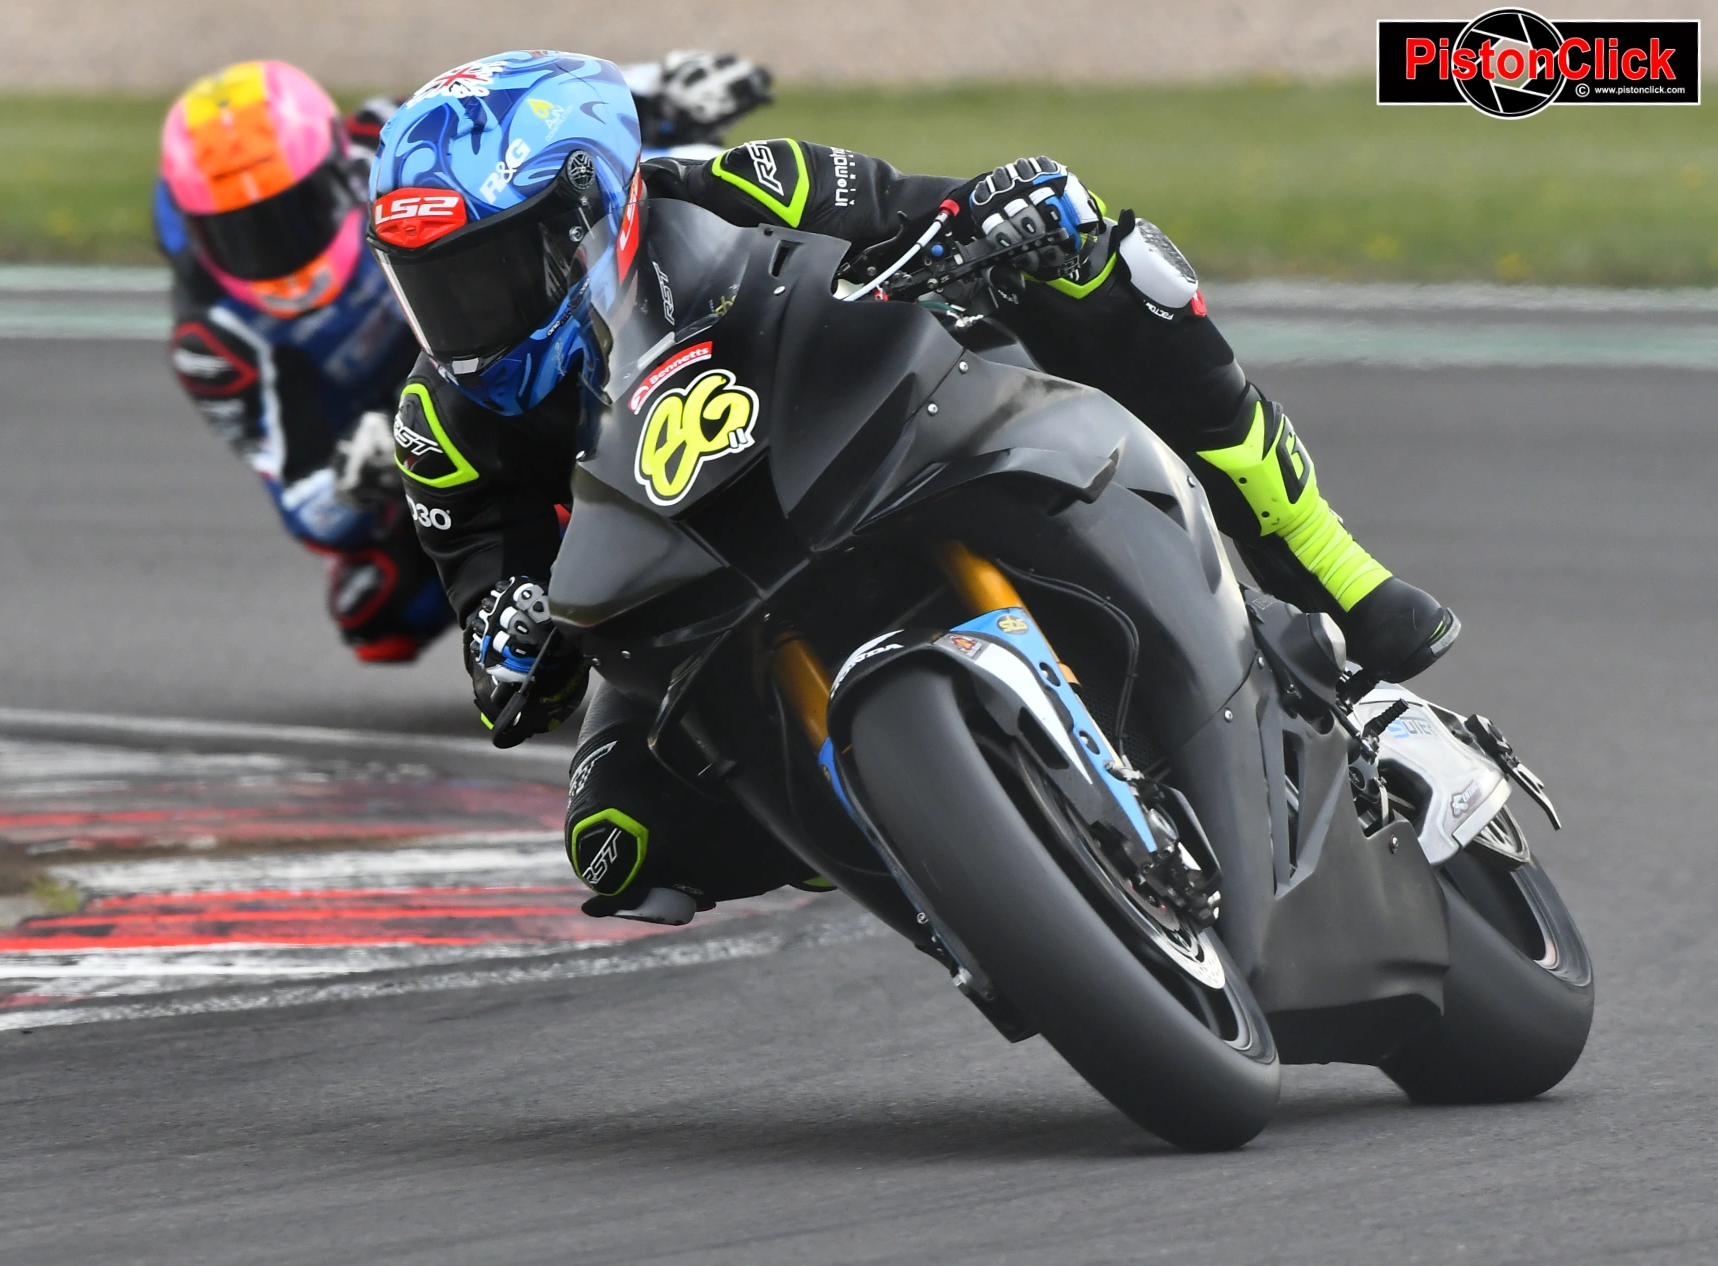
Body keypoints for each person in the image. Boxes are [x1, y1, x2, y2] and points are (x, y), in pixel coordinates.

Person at [366, 51, 1461, 924]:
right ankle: (946, 862)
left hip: (874, 437)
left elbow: (915, 209)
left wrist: (1002, 211)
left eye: (492, 270)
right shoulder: (440, 428)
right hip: (686, 595)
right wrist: (509, 638)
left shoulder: (739, 186)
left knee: (1102, 265)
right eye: (434, 286)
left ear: (585, 211)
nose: (468, 314)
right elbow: (498, 644)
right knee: (618, 837)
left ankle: (1335, 577)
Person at [151, 55, 772, 662]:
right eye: (239, 232)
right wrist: (350, 477)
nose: (275, 249)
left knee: (628, 211)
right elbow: (299, 504)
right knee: (372, 609)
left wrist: (665, 87)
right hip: (428, 439)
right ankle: (555, 587)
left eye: (292, 213)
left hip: (528, 331)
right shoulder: (214, 344)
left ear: (336, 172)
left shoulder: (393, 148)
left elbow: (521, 111)